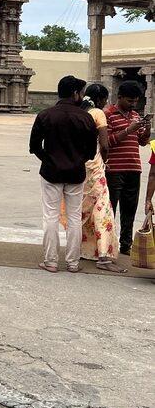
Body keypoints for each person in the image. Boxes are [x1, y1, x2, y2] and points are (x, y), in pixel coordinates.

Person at [29, 75, 98, 274]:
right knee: (74, 217)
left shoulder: (45, 115)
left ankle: (50, 261)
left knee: (50, 216)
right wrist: (77, 160)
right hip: (76, 173)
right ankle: (73, 263)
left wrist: (49, 159)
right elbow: (91, 151)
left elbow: (34, 146)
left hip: (51, 172)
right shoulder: (85, 117)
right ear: (75, 93)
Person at [104, 80, 152, 256]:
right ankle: (108, 245)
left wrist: (146, 130)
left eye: (135, 101)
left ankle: (125, 244)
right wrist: (128, 130)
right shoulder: (108, 114)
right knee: (111, 210)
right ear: (120, 97)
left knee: (129, 209)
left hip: (133, 168)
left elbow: (142, 142)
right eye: (130, 101)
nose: (133, 105)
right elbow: (106, 142)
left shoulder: (135, 115)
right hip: (114, 169)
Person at [79, 84, 122, 272]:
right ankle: (103, 256)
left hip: (80, 168)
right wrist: (106, 160)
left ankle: (85, 250)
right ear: (101, 99)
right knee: (103, 210)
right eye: (106, 99)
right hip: (95, 167)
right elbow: (104, 144)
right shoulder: (98, 113)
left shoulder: (80, 112)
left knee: (84, 211)